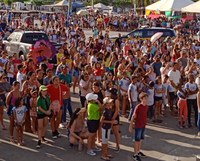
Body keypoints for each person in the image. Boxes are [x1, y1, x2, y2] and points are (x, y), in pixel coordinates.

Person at [129, 92, 148, 161]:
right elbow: (133, 116)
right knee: (137, 140)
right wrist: (131, 125)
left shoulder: (146, 106)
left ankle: (138, 151)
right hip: (138, 126)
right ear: (141, 99)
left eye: (146, 98)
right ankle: (135, 154)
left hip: (143, 125)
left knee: (140, 139)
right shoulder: (138, 107)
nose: (146, 100)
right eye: (145, 98)